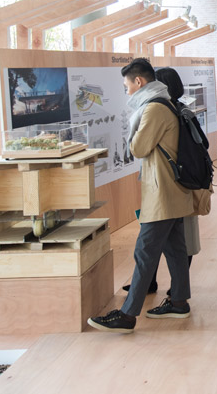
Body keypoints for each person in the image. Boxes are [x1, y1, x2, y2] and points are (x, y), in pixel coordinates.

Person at [88, 59, 193, 333]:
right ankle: (179, 301)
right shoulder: (163, 101)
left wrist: (130, 134)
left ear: (139, 82)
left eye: (127, 86)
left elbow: (138, 148)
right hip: (173, 190)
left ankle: (127, 314)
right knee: (176, 250)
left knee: (145, 251)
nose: (127, 92)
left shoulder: (154, 108)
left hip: (162, 192)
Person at [120, 67, 207, 296]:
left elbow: (138, 148)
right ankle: (176, 295)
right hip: (180, 183)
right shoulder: (177, 109)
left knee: (155, 246)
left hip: (169, 186)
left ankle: (138, 306)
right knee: (174, 244)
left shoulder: (159, 109)